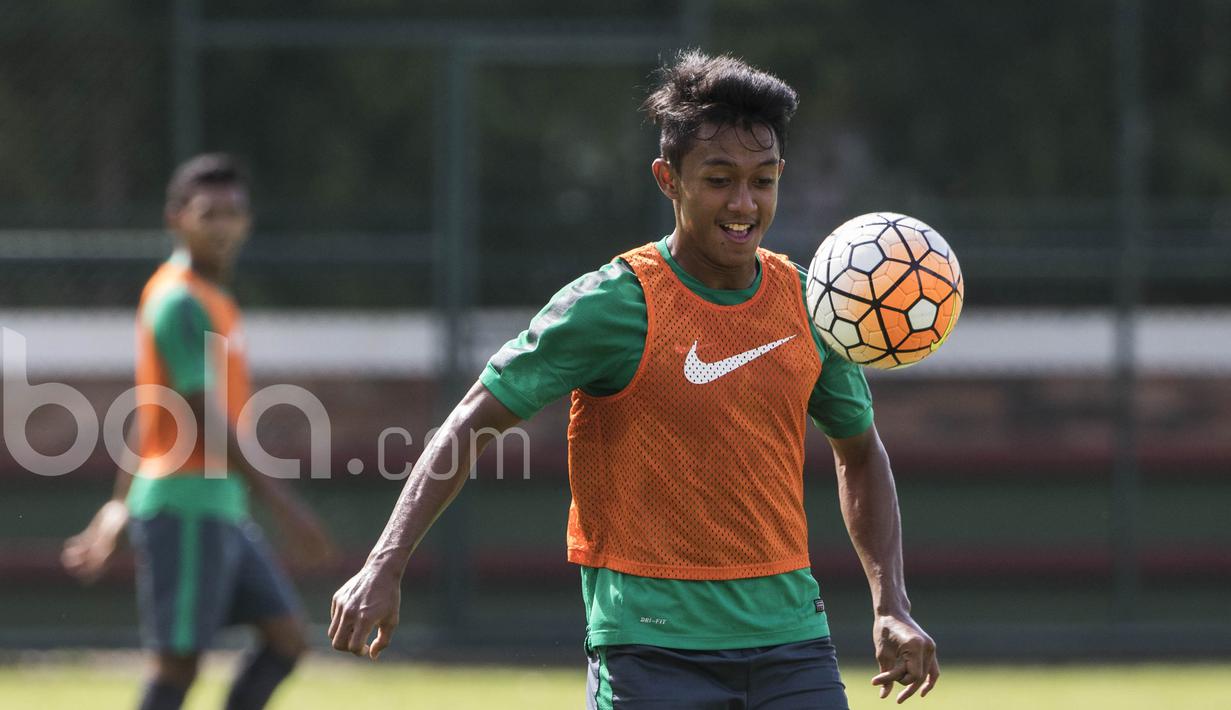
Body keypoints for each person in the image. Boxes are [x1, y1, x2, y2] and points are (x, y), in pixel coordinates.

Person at [329, 51, 939, 708]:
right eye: (718, 179)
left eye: (762, 181)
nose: (743, 203)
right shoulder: (612, 305)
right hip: (650, 651)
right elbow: (473, 419)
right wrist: (384, 563)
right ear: (666, 179)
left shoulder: (808, 305)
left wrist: (890, 604)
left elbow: (859, 449)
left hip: (792, 644)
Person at [62, 153, 333, 710]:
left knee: (287, 639)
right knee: (178, 665)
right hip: (185, 505)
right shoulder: (179, 301)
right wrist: (285, 506)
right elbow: (203, 417)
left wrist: (118, 503)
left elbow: (153, 408)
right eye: (208, 213)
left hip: (219, 505)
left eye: (233, 212)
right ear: (176, 219)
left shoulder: (214, 299)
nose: (223, 225)